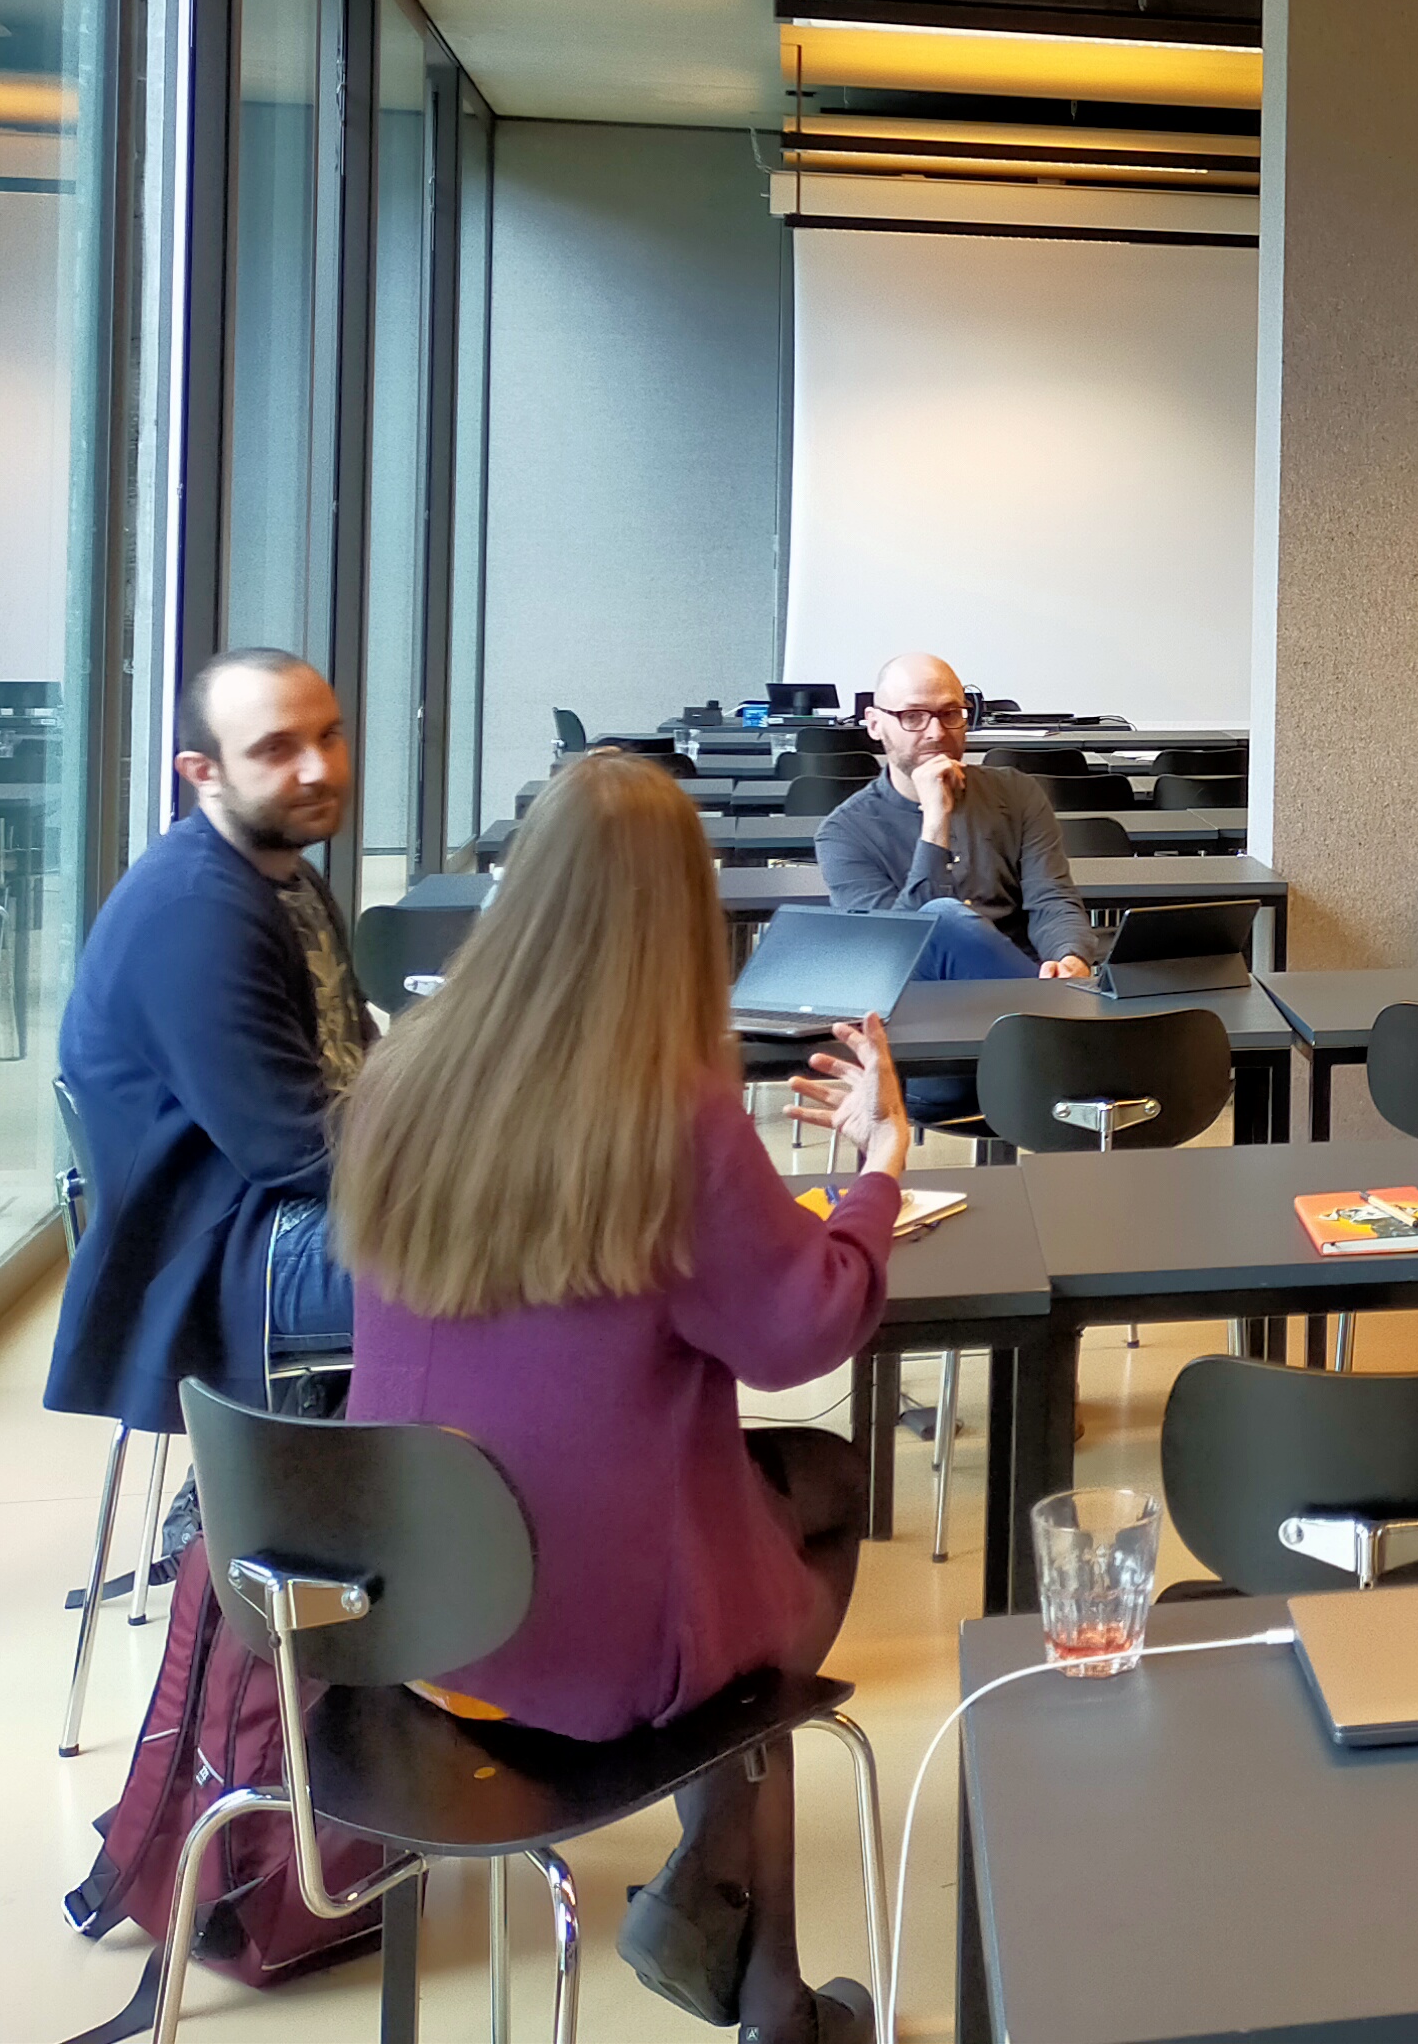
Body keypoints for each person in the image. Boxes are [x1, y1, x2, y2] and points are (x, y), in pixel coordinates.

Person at [337, 751, 897, 2044]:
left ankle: (728, 1916)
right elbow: (801, 1332)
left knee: (789, 1497)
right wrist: (877, 1167)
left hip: (400, 1603)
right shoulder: (672, 1120)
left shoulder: (400, 1076)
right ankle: (738, 1935)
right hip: (581, 1638)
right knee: (818, 1499)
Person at [47, 648, 370, 1435]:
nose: (317, 769)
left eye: (328, 737)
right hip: (229, 1257)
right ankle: (275, 1482)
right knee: (550, 1264)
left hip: (279, 1217)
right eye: (276, 749)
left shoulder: (283, 876)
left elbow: (358, 1069)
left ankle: (313, 1476)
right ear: (204, 772)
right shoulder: (196, 914)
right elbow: (301, 1153)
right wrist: (494, 1187)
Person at [816, 650, 1095, 1126]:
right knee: (942, 918)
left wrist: (1071, 957)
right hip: (931, 1052)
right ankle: (1083, 1054)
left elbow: (1052, 898)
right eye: (913, 716)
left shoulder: (1017, 793)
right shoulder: (843, 833)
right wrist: (936, 820)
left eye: (951, 713)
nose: (936, 731)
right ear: (875, 724)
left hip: (1028, 1012)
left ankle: (1071, 1044)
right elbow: (897, 955)